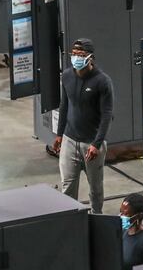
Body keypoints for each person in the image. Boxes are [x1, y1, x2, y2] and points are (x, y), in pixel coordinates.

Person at [52, 38, 114, 213]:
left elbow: (107, 115)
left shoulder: (102, 81)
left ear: (90, 57)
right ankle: (70, 218)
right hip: (69, 140)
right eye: (74, 54)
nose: (76, 58)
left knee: (95, 187)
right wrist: (59, 134)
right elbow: (64, 106)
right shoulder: (67, 76)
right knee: (67, 185)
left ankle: (96, 214)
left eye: (80, 54)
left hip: (91, 143)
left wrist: (96, 144)